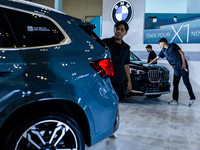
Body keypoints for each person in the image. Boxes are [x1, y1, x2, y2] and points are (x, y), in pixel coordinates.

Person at [148, 38, 196, 107]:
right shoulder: (163, 51)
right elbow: (156, 58)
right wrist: (149, 63)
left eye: (159, 44)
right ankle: (175, 100)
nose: (159, 46)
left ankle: (192, 98)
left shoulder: (173, 45)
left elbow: (181, 53)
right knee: (175, 83)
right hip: (176, 68)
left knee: (186, 82)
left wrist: (184, 64)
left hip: (182, 66)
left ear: (163, 42)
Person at [102, 21, 132, 103]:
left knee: (118, 101)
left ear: (125, 32)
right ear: (114, 29)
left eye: (122, 30)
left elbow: (126, 65)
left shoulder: (126, 48)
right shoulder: (105, 43)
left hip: (119, 80)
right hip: (106, 80)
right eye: (117, 29)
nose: (118, 31)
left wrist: (129, 81)